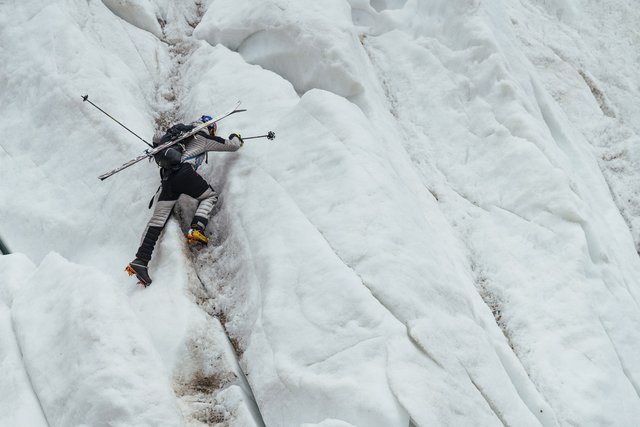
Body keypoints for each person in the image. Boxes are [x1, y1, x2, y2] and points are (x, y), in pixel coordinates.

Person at [125, 116, 244, 286]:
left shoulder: (178, 137)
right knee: (210, 196)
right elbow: (231, 146)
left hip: (168, 178)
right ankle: (196, 228)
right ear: (210, 128)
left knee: (157, 220)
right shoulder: (203, 137)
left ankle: (140, 261)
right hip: (185, 173)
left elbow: (157, 138)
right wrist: (236, 137)